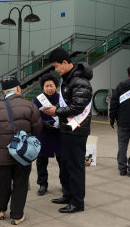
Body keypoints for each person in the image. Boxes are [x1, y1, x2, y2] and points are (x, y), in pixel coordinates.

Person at [0, 76, 42, 225]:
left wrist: (2, 139)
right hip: (22, 154)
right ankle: (17, 215)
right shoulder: (29, 106)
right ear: (18, 89)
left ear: (3, 91)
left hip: (2, 153)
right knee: (21, 183)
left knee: (2, 182)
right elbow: (37, 128)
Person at [42, 47, 93, 214]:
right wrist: (55, 107)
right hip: (67, 129)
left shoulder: (80, 81)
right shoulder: (68, 79)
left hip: (76, 131)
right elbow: (67, 104)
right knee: (65, 164)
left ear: (65, 62)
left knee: (75, 166)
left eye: (57, 66)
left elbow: (77, 107)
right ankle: (67, 195)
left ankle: (77, 202)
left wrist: (55, 111)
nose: (56, 70)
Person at [32, 72, 62, 196]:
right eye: (47, 86)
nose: (49, 88)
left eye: (52, 85)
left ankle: (64, 183)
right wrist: (44, 123)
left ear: (56, 86)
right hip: (43, 133)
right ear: (43, 87)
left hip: (59, 134)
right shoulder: (38, 99)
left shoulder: (61, 98)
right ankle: (42, 184)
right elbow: (33, 117)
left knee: (63, 161)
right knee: (41, 161)